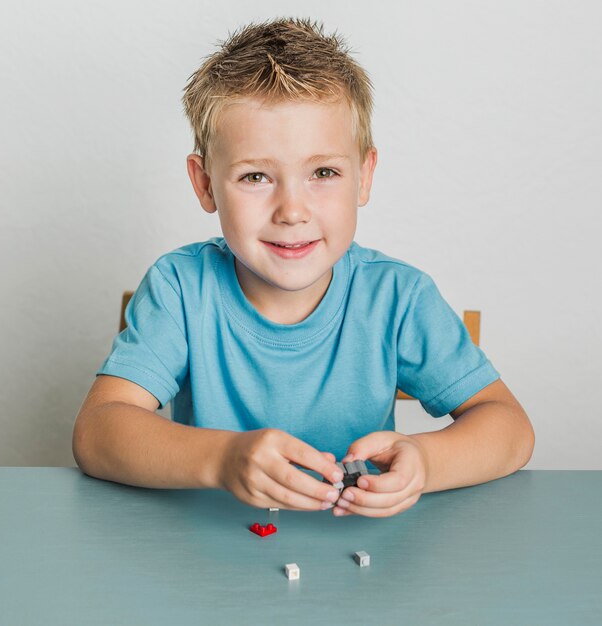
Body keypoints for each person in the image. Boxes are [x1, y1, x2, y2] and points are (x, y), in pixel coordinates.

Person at [72, 17, 535, 518]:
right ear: (205, 184)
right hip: (211, 559)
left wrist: (426, 460)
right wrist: (222, 459)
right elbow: (97, 432)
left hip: (361, 558)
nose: (292, 211)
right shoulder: (181, 288)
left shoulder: (399, 298)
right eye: (255, 176)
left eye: (323, 172)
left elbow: (510, 428)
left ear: (364, 176)